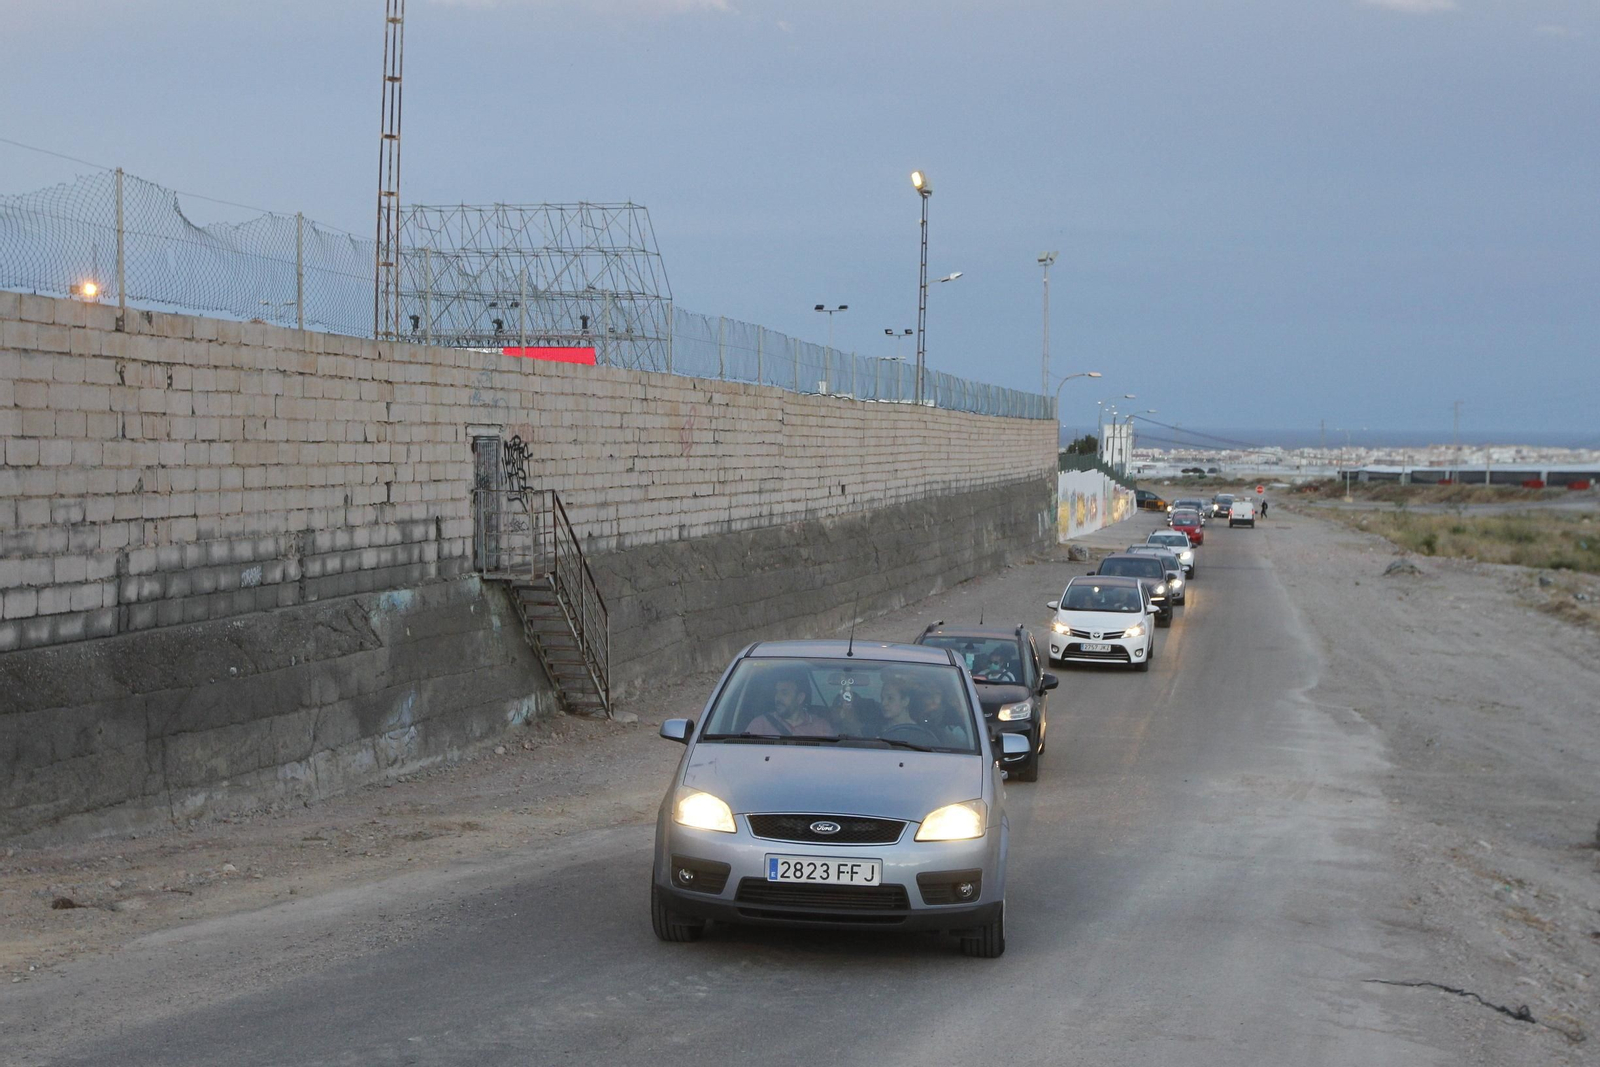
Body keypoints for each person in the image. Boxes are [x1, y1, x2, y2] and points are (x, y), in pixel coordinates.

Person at [746, 670, 835, 737]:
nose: (777, 697)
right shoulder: (760, 725)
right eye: (777, 692)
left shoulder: (821, 727)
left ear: (800, 698)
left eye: (784, 693)